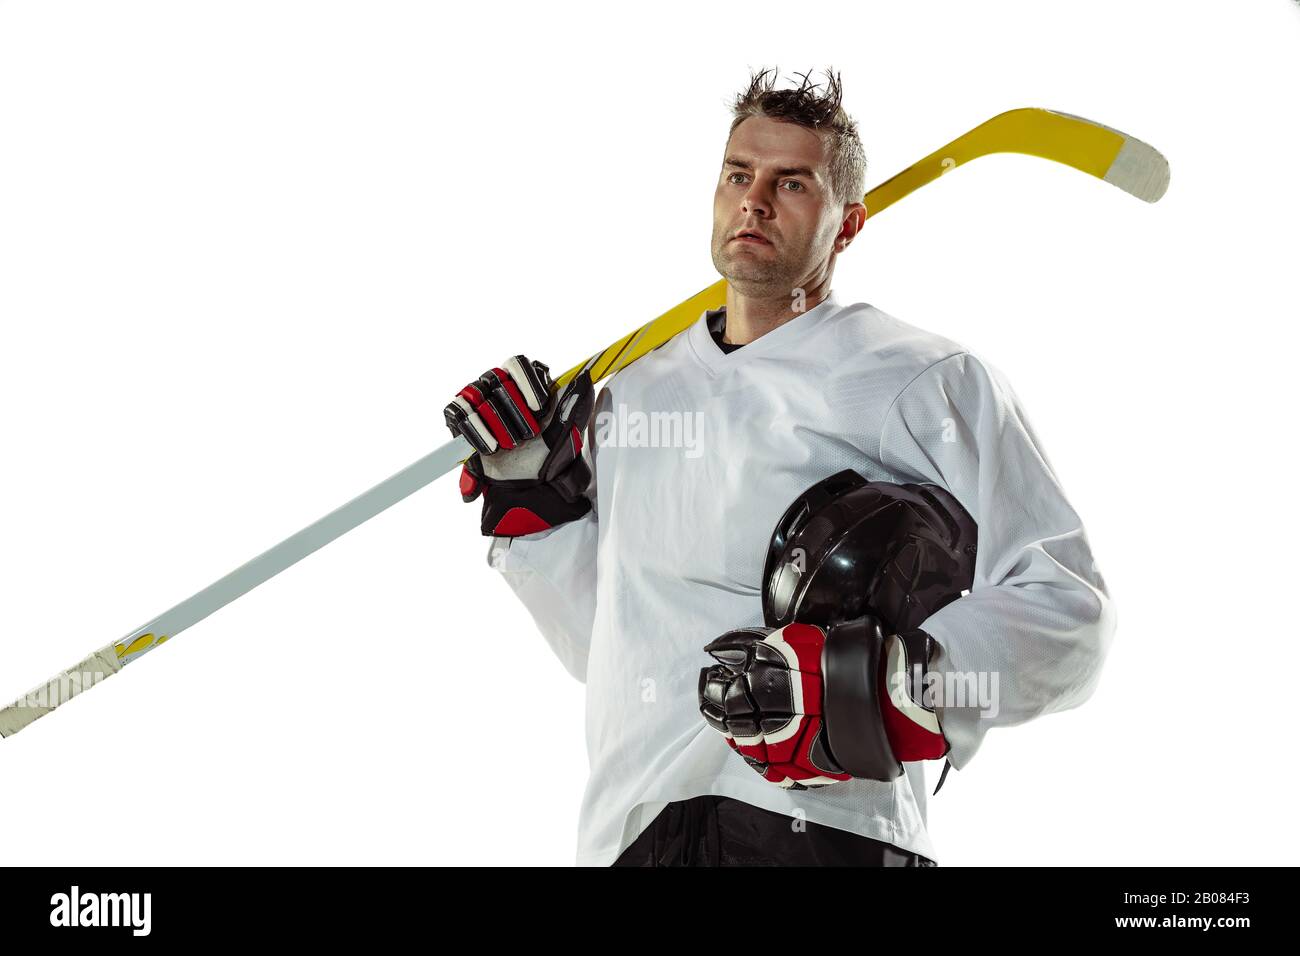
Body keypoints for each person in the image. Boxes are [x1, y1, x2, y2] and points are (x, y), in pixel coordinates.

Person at [443, 68, 1115, 866]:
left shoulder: (921, 378)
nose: (754, 200)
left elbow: (1070, 612)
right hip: (634, 827)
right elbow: (613, 647)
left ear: (849, 223)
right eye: (739, 174)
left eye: (791, 182)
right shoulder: (632, 395)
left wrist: (896, 685)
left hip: (828, 833)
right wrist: (534, 508)